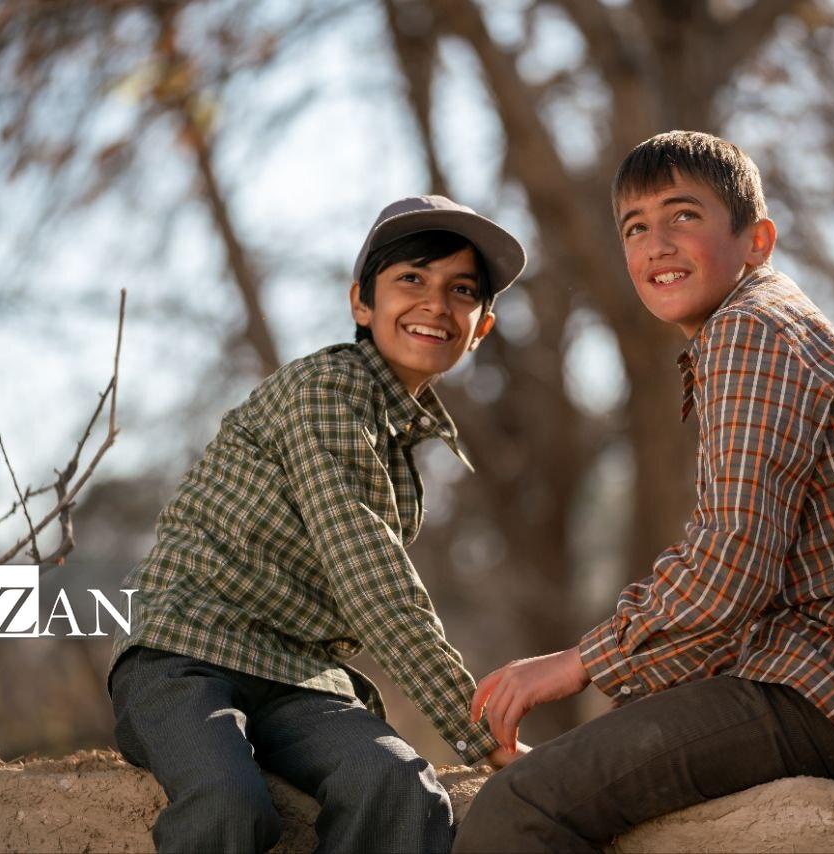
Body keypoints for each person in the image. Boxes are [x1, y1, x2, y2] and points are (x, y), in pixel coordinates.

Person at [455, 131, 834, 853]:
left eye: (684, 217)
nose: (656, 245)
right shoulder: (772, 325)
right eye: (636, 228)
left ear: (756, 240)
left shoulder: (752, 331)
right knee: (573, 779)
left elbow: (731, 566)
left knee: (518, 806)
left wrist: (575, 665)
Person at [107, 195, 529, 854]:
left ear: (482, 326)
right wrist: (485, 739)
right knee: (227, 803)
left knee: (399, 789)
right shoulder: (327, 392)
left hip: (300, 682)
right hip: (185, 657)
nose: (436, 304)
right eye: (411, 280)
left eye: (462, 290)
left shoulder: (401, 444)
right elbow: (374, 584)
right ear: (362, 302)